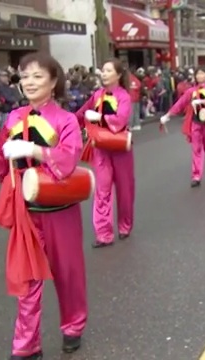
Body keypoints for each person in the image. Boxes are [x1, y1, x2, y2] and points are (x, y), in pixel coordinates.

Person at [0, 52, 87, 360]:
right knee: (26, 279)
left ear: (54, 82)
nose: (29, 82)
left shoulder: (66, 120)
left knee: (67, 274)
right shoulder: (14, 118)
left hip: (60, 210)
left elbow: (69, 160)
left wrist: (34, 150)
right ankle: (26, 346)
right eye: (25, 76)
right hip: (26, 211)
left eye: (37, 76)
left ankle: (73, 326)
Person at [75, 59, 135, 248]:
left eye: (108, 70)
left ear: (118, 75)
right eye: (103, 70)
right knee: (102, 190)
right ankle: (103, 234)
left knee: (125, 191)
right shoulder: (97, 95)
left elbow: (121, 118)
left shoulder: (124, 96)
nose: (104, 73)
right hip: (100, 147)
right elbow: (80, 113)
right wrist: (62, 125)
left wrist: (100, 117)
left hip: (120, 148)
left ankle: (125, 226)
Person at [160, 67, 205, 187]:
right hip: (195, 122)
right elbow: (180, 103)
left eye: (202, 73)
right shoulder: (191, 91)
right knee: (196, 149)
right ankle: (196, 176)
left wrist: (203, 102)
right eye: (198, 74)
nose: (199, 76)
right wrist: (167, 115)